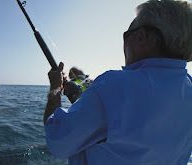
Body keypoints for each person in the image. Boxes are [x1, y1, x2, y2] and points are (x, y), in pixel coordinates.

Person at [43, 0, 192, 164]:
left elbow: (57, 140)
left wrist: (55, 89)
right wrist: (87, 83)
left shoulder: (111, 86)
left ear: (141, 37)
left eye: (126, 35)